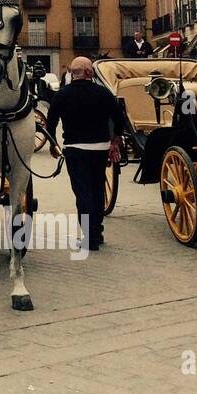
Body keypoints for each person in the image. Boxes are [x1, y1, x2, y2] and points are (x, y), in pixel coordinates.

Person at [44, 56, 124, 252]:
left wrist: (53, 143)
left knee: (83, 194)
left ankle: (90, 237)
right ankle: (97, 232)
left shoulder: (62, 95)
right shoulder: (103, 93)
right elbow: (119, 117)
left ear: (72, 73)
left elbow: (51, 121)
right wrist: (115, 140)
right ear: (90, 73)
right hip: (99, 149)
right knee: (97, 191)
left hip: (75, 149)